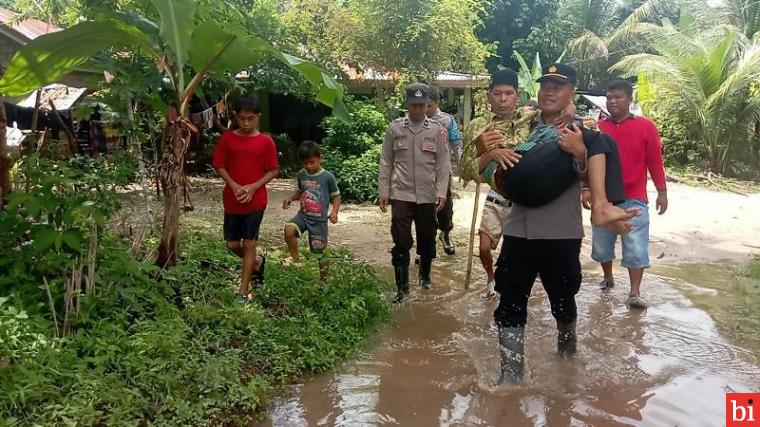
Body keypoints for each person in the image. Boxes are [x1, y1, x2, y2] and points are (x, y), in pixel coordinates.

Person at [478, 64, 634, 385]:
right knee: (510, 301)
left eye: (558, 86)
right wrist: (486, 154)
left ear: (570, 92)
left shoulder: (583, 129)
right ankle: (511, 377)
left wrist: (579, 157)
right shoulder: (521, 128)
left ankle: (567, 357)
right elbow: (482, 168)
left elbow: (590, 175)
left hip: (561, 231)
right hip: (517, 229)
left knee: (562, 299)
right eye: (545, 85)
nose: (549, 91)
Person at [586, 80, 668, 309]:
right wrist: (585, 188)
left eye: (618, 97)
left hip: (634, 197)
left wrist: (662, 191)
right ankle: (608, 277)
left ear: (630, 100)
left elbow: (655, 160)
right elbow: (587, 160)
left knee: (636, 244)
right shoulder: (597, 127)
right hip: (604, 198)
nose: (612, 101)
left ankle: (634, 292)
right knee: (602, 246)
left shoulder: (646, 127)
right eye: (609, 97)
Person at [461, 69, 538, 299]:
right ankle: (490, 278)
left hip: (524, 204)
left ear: (518, 95)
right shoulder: (478, 126)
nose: (503, 99)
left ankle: (515, 290)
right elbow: (465, 171)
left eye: (508, 93)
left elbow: (563, 113)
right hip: (495, 197)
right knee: (484, 248)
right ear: (488, 96)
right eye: (497, 93)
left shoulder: (532, 119)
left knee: (516, 256)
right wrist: (486, 152)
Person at [378, 83, 451, 303]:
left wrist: (441, 192)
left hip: (428, 194)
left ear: (428, 105)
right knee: (400, 241)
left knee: (428, 237)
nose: (418, 110)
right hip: (401, 193)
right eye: (414, 105)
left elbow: (443, 163)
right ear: (407, 105)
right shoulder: (395, 128)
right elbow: (386, 162)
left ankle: (425, 276)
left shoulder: (437, 130)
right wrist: (384, 191)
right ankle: (402, 288)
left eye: (422, 105)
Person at [212, 97, 278, 303]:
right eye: (242, 119)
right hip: (232, 199)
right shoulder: (227, 139)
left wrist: (252, 187)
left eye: (251, 119)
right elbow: (219, 165)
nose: (246, 123)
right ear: (236, 117)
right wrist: (233, 185)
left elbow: (273, 170)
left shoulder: (266, 141)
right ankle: (257, 263)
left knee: (249, 243)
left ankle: (242, 291)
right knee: (232, 244)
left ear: (258, 117)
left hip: (256, 200)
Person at [283, 141, 342, 281]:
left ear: (320, 158)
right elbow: (301, 191)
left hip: (319, 221)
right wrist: (290, 198)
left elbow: (336, 196)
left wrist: (334, 212)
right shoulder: (302, 175)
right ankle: (296, 260)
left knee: (319, 252)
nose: (308, 166)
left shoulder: (328, 177)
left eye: (311, 162)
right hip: (302, 216)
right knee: (289, 230)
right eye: (305, 163)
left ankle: (324, 281)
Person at [426, 88, 462, 256]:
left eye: (429, 106)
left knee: (445, 207)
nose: (425, 110)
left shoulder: (447, 121)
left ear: (436, 104)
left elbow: (456, 144)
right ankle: (426, 245)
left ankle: (445, 234)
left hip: (442, 172)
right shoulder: (412, 120)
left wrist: (462, 168)